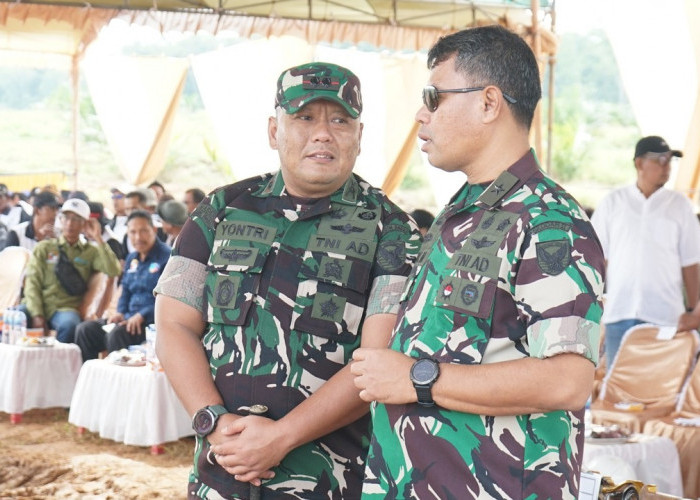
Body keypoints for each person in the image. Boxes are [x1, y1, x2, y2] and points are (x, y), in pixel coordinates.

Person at [350, 25, 605, 499]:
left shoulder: (548, 221)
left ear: (489, 103)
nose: (420, 115)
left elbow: (568, 379)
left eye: (434, 97)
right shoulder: (462, 211)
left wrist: (415, 377)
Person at [153, 62, 421, 499]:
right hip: (220, 476)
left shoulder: (393, 232)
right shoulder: (220, 210)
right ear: (274, 131)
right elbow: (173, 324)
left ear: (359, 135)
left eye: (339, 120)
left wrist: (281, 438)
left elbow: (378, 358)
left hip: (329, 483)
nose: (322, 133)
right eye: (304, 118)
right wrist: (213, 422)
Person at [591, 135, 700, 368]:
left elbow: (691, 263)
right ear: (639, 164)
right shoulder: (613, 203)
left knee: (659, 387)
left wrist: (694, 310)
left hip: (666, 317)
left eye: (670, 161)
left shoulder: (680, 206)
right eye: (660, 160)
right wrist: (594, 301)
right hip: (619, 313)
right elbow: (599, 260)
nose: (667, 167)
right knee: (618, 389)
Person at [21, 198, 122, 343]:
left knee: (70, 325)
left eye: (76, 219)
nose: (70, 224)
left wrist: (98, 238)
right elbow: (32, 282)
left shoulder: (91, 251)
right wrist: (37, 314)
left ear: (84, 224)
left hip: (65, 308)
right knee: (15, 316)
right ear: (60, 220)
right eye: (66, 218)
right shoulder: (44, 248)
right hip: (38, 303)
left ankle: (60, 364)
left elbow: (113, 271)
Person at [74, 210, 170, 361]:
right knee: (85, 330)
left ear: (154, 230)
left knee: (116, 335)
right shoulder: (132, 258)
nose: (138, 237)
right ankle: (91, 382)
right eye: (133, 232)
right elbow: (125, 291)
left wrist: (142, 315)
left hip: (151, 323)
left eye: (143, 231)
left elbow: (167, 299)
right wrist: (120, 312)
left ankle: (119, 384)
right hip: (127, 319)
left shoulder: (167, 257)